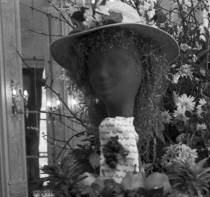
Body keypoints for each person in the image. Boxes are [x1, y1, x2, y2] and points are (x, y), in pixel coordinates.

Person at [50, 1, 179, 182]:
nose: (102, 73)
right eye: (93, 65)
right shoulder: (93, 152)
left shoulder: (167, 148)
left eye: (116, 62)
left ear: (145, 66)